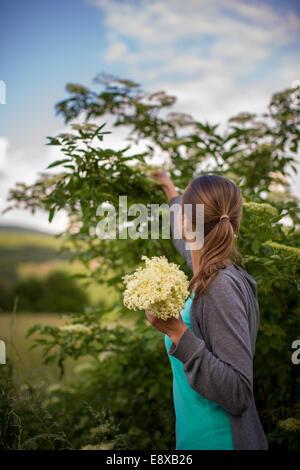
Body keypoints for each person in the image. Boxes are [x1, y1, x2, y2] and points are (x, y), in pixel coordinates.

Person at [145, 171, 268, 450]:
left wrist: (177, 333)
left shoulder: (220, 286)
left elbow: (238, 391)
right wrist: (170, 191)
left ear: (188, 223)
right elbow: (184, 242)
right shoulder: (211, 272)